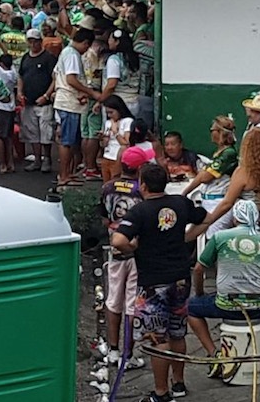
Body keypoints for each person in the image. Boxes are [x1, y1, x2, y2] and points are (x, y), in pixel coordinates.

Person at [111, 163, 208, 402]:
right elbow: (204, 219)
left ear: (142, 185)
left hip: (153, 283)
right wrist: (186, 238)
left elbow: (118, 240)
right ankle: (179, 383)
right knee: (177, 332)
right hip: (180, 279)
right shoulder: (181, 203)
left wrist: (133, 248)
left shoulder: (139, 211)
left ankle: (160, 392)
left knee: (158, 338)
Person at [188, 199, 260, 368]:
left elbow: (198, 270)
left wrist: (200, 292)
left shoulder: (220, 237)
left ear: (234, 219)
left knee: (190, 309)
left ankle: (214, 354)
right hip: (259, 306)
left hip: (226, 305)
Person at [98, 147, 148, 370]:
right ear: (139, 168)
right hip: (137, 253)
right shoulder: (142, 191)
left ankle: (113, 350)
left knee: (112, 300)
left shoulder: (108, 187)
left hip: (115, 250)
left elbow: (102, 219)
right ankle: (128, 355)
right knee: (131, 304)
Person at [53, 28, 98, 188]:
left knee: (68, 140)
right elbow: (71, 79)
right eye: (87, 46)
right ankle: (64, 175)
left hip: (66, 100)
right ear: (85, 43)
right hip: (68, 103)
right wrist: (90, 91)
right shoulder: (72, 54)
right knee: (67, 141)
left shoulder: (66, 52)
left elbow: (56, 75)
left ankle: (67, 173)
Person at [181, 116, 238, 236]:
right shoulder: (220, 152)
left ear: (220, 132)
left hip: (218, 201)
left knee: (213, 237)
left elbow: (206, 177)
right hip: (207, 200)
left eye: (212, 130)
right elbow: (202, 175)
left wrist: (186, 191)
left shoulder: (229, 153)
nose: (211, 133)